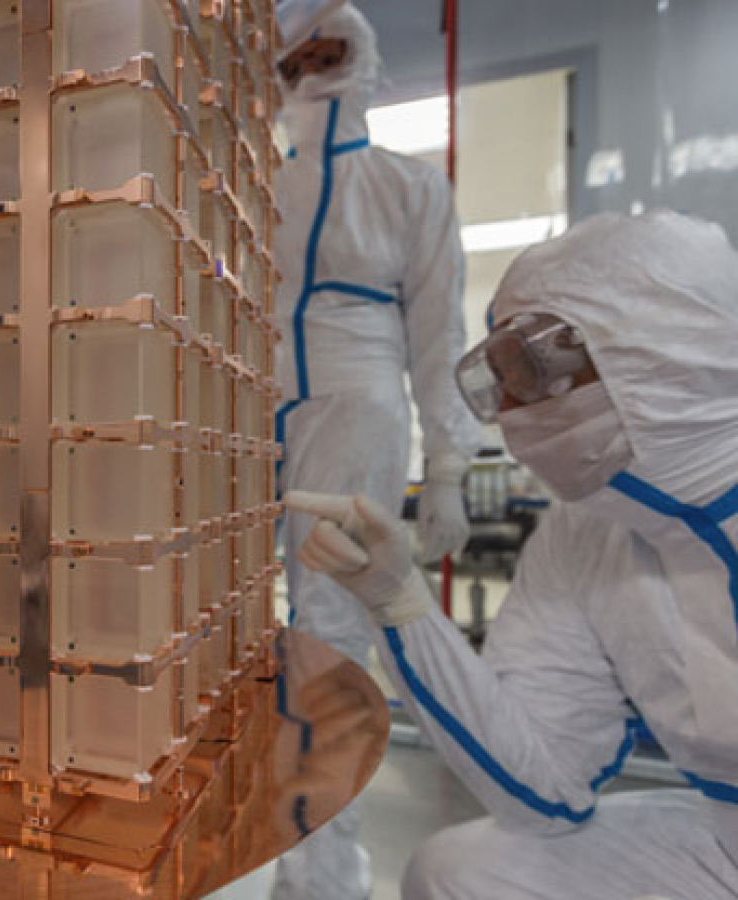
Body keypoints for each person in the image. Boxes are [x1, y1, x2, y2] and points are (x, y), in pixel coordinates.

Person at [286, 210, 738, 899]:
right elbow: (544, 793)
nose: (514, 411)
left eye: (534, 367)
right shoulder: (582, 536)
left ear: (659, 349)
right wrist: (397, 600)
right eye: (498, 381)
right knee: (458, 871)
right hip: (719, 837)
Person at [270, 3, 481, 896]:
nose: (315, 71)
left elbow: (439, 337)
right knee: (222, 625)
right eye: (298, 58)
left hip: (358, 407)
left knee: (332, 633)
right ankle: (262, 831)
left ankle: (325, 870)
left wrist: (449, 467)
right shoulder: (252, 186)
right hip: (247, 400)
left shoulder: (409, 189)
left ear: (360, 60)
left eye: (331, 53)